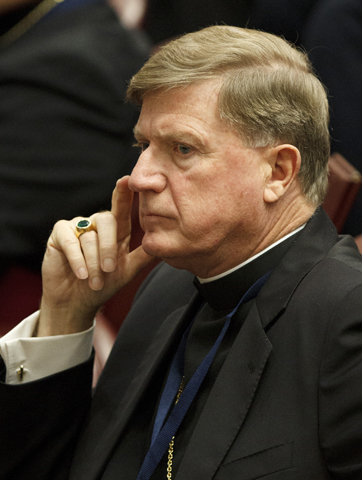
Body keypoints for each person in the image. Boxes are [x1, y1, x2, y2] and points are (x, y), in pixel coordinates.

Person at [1, 25, 362, 480]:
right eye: (144, 145)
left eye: (182, 148)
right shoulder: (166, 288)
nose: (140, 176)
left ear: (278, 171)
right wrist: (66, 316)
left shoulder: (348, 319)